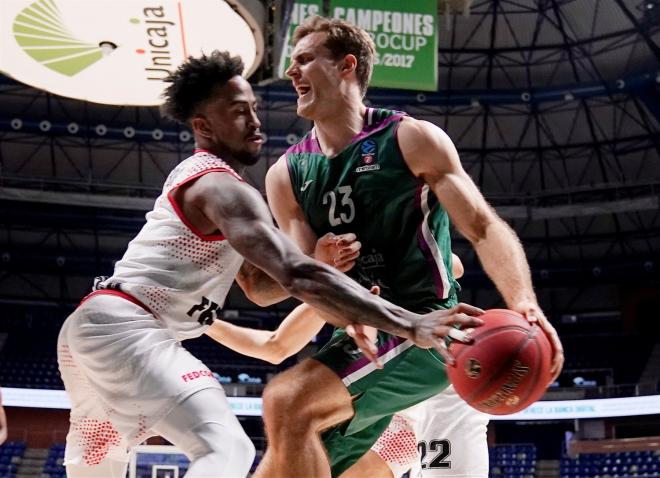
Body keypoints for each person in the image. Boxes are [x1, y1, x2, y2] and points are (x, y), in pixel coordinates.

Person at [56, 50, 484, 478]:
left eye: (254, 109)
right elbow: (295, 277)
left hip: (94, 328)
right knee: (226, 449)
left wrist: (317, 261)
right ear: (203, 126)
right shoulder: (222, 186)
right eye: (239, 113)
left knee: (100, 457)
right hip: (126, 326)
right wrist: (410, 323)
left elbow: (260, 289)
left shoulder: (217, 193)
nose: (255, 122)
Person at [251, 16, 564, 478]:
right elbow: (310, 281)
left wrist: (524, 302)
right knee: (282, 463)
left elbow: (482, 227)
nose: (292, 72)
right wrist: (346, 313)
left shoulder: (410, 138)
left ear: (346, 66)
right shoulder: (286, 173)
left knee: (287, 400)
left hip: (428, 327)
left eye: (304, 60)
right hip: (359, 338)